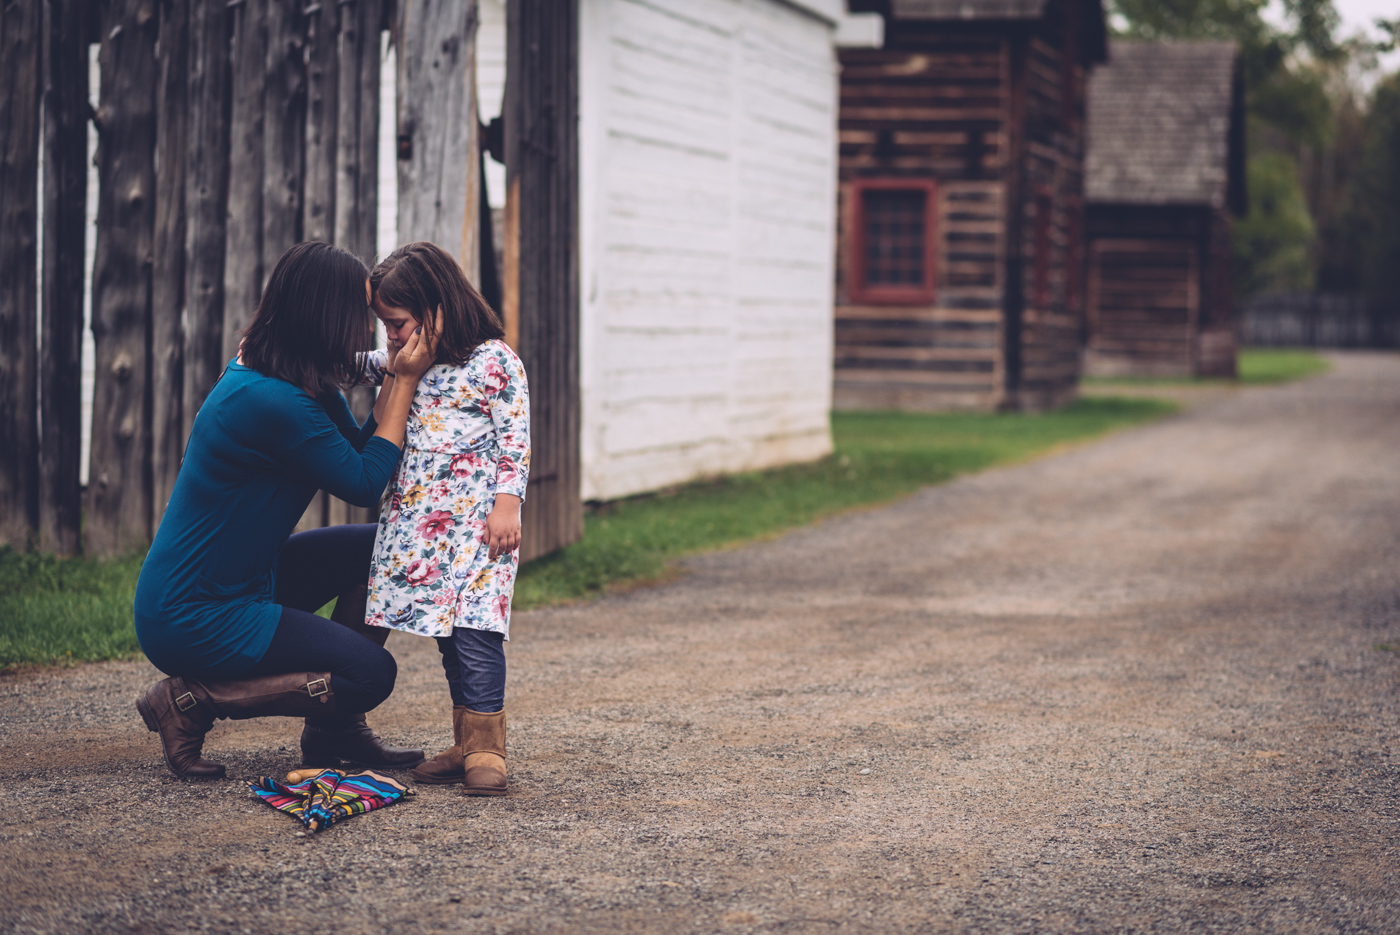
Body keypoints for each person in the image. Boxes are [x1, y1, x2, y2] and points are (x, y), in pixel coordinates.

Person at [133, 241, 438, 779]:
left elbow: (362, 450)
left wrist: (395, 375)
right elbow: (366, 480)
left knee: (385, 547)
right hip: (194, 612)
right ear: (325, 317)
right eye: (358, 318)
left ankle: (334, 729)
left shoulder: (301, 382)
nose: (365, 333)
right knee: (372, 675)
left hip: (247, 584)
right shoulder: (273, 401)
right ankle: (191, 700)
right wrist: (406, 379)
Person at [358, 241, 529, 796]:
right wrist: (274, 351)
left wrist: (509, 503)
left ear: (435, 308)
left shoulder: (492, 360)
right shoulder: (406, 363)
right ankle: (463, 742)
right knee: (447, 636)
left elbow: (515, 437)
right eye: (384, 325)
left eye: (399, 323)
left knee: (479, 629)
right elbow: (351, 367)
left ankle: (487, 750)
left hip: (480, 530)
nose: (391, 337)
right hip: (423, 531)